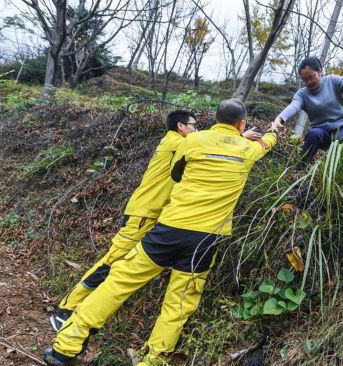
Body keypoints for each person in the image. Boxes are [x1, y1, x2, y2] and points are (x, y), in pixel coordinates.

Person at [43, 99, 279, 366]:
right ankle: (153, 360)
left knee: (119, 281)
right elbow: (266, 144)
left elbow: (177, 173)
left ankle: (66, 345)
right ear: (242, 124)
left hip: (169, 228)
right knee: (179, 303)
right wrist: (273, 130)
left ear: (215, 119)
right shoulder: (247, 149)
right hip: (205, 239)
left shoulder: (192, 141)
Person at [49, 110, 197, 331]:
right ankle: (66, 309)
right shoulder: (174, 142)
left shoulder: (178, 144)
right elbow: (206, 145)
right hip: (142, 214)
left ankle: (81, 309)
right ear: (180, 126)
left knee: (121, 264)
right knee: (112, 260)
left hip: (151, 215)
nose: (197, 129)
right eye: (194, 125)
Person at [272, 56, 343, 166]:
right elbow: (293, 106)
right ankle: (300, 170)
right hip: (321, 132)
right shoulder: (302, 94)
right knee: (313, 134)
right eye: (304, 80)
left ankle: (336, 172)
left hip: (341, 128)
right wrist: (279, 119)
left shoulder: (332, 80)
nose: (308, 82)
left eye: (311, 77)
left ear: (320, 72)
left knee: (339, 141)